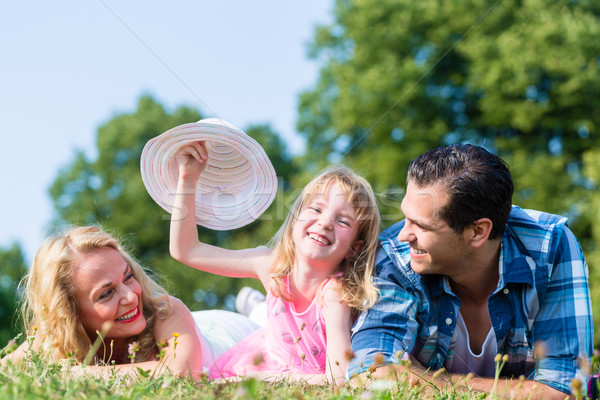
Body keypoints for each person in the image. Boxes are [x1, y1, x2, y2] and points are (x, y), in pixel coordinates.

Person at [349, 144, 593, 399]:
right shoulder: (394, 255)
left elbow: (565, 391)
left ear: (477, 232)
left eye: (421, 226)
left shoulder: (550, 247)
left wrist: (432, 380)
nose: (403, 235)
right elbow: (369, 375)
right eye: (406, 217)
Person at [169, 141, 381, 385]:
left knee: (263, 319)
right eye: (316, 209)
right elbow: (186, 250)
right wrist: (187, 178)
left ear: (354, 249)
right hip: (266, 352)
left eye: (343, 221)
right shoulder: (271, 265)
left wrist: (266, 379)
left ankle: (257, 306)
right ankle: (258, 306)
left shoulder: (334, 295)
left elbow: (338, 379)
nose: (325, 223)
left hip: (294, 378)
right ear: (295, 218)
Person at [2, 225, 259, 377]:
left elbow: (179, 374)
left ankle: (258, 309)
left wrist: (78, 373)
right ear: (70, 312)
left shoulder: (166, 311)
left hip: (229, 334)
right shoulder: (52, 342)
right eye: (106, 293)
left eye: (127, 277)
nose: (129, 296)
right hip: (201, 325)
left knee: (269, 325)